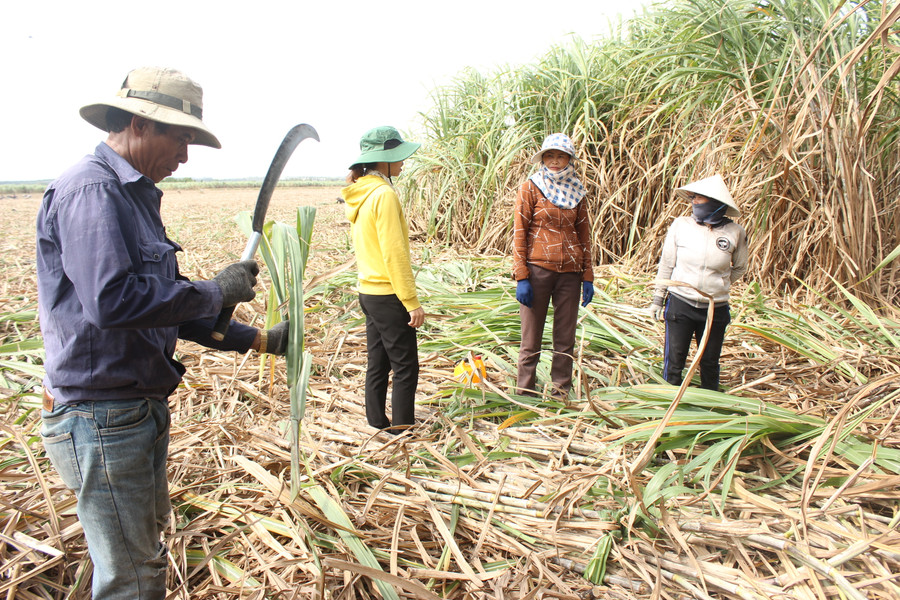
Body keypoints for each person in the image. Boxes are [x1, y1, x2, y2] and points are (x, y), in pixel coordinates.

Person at [36, 66, 289, 599]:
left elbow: (163, 305)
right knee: (132, 574)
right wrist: (216, 291)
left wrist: (258, 339)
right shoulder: (92, 190)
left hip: (134, 410)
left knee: (140, 556)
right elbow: (112, 302)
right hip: (101, 415)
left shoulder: (135, 196)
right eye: (181, 138)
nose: (186, 156)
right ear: (139, 124)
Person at [341, 126, 424, 433]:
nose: (403, 162)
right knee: (405, 366)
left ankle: (377, 422)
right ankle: (403, 430)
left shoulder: (361, 193)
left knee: (379, 362)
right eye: (398, 156)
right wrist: (411, 302)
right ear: (383, 160)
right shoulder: (384, 195)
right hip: (389, 295)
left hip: (368, 292)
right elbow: (394, 254)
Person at [513, 133, 594, 397]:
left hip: (570, 274)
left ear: (570, 159)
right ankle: (524, 392)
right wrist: (521, 276)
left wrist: (588, 276)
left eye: (561, 156)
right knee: (530, 338)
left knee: (565, 338)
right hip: (538, 271)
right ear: (543, 158)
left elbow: (584, 235)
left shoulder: (577, 190)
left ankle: (560, 392)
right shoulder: (530, 188)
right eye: (550, 156)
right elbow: (519, 233)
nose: (555, 161)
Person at [651, 173, 749, 390]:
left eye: (698, 197)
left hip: (715, 308)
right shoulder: (681, 225)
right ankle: (668, 407)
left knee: (710, 362)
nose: (693, 201)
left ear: (715, 202)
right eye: (692, 197)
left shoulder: (735, 232)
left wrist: (720, 283)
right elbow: (667, 264)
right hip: (680, 304)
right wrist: (658, 299)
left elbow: (741, 267)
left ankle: (709, 408)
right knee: (674, 362)